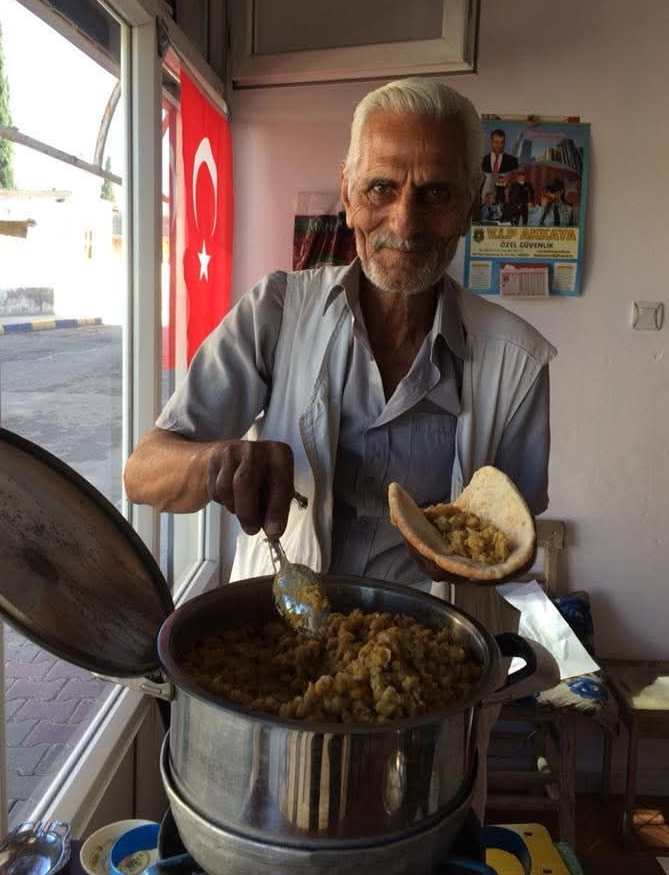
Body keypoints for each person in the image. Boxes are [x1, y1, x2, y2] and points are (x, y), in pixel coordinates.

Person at [123, 77, 557, 817]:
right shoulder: (276, 313)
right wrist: (214, 461)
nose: (406, 221)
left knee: (413, 845)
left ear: (474, 201)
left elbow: (514, 549)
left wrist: (476, 562)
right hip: (278, 668)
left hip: (424, 692)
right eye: (382, 187)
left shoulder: (517, 360)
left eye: (437, 193)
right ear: (349, 191)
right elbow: (144, 472)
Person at [481, 129, 519, 205]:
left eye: (502, 142)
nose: (500, 145)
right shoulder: (482, 161)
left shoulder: (513, 161)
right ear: (491, 142)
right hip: (485, 203)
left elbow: (516, 183)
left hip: (505, 203)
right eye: (496, 142)